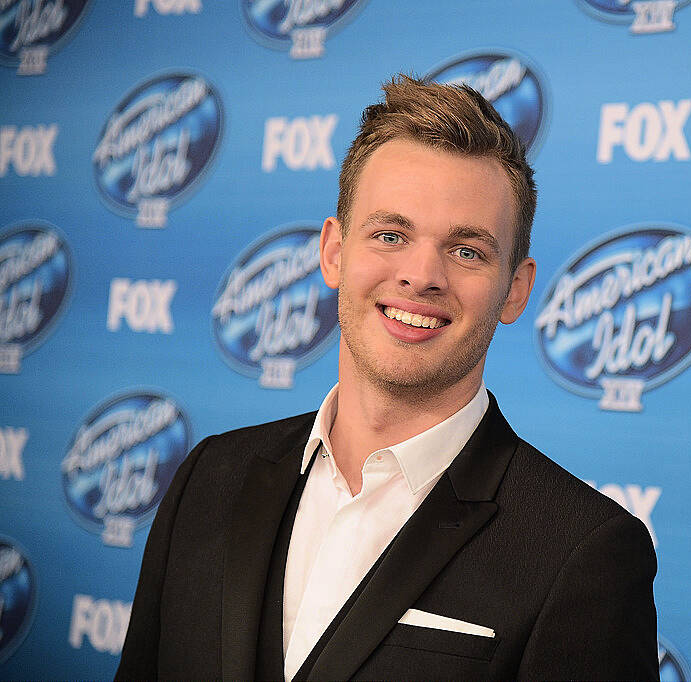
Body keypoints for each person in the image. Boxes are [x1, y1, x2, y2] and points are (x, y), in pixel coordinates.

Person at [115, 74, 658, 681]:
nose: (421, 274)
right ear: (333, 252)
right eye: (391, 235)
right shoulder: (208, 478)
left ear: (517, 289)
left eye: (467, 250)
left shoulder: (584, 553)